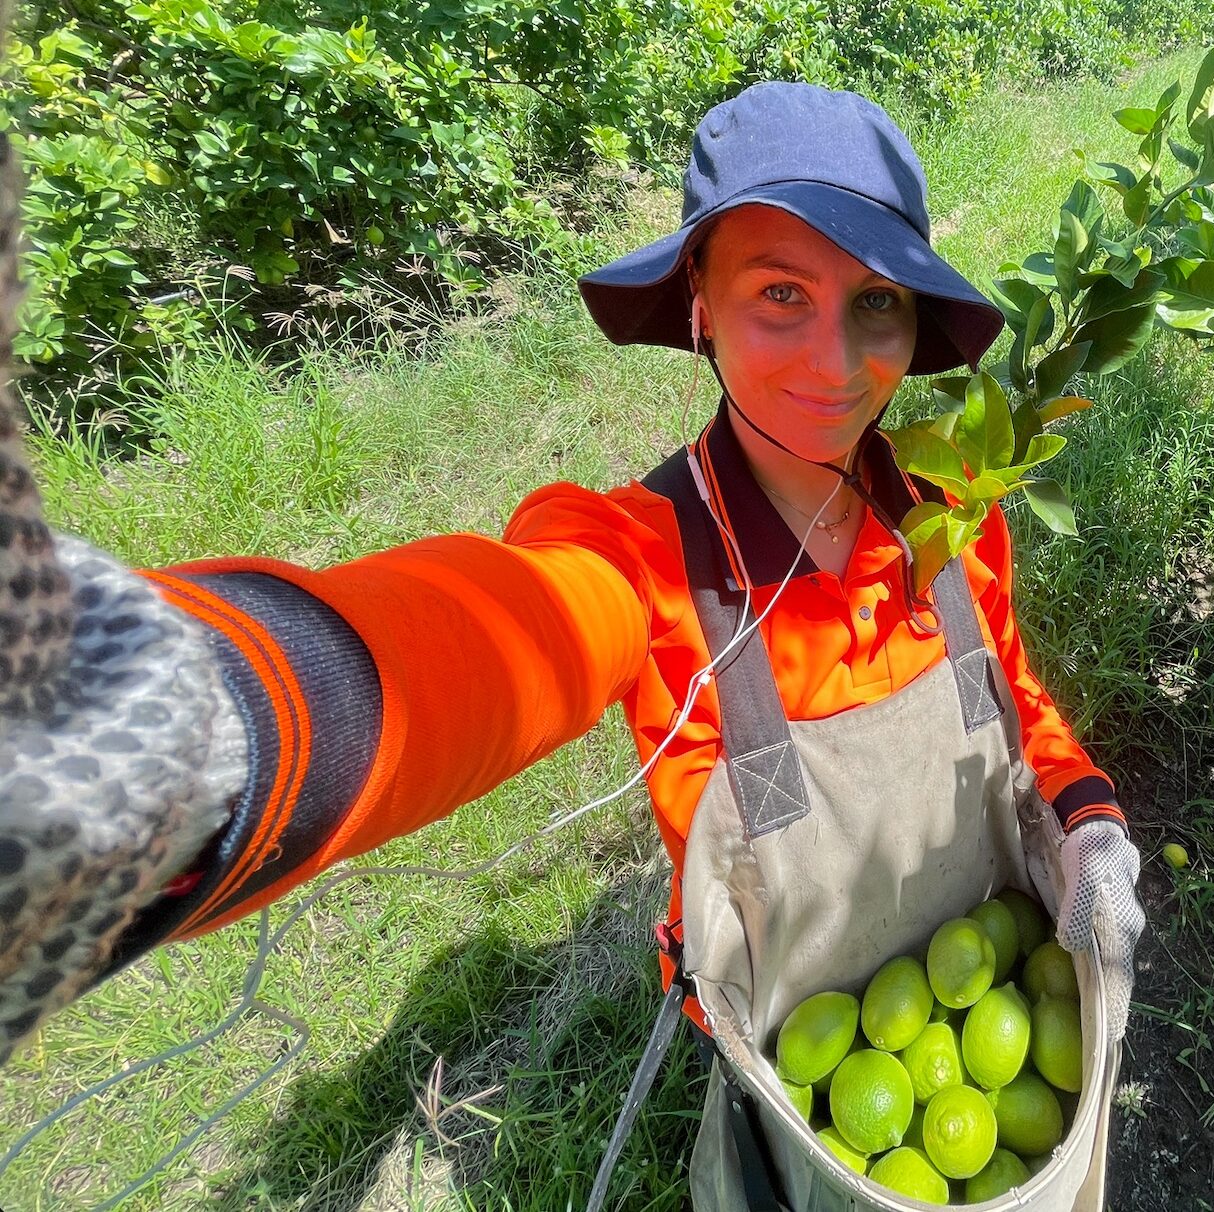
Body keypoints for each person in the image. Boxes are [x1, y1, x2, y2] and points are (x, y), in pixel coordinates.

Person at [0, 82, 1145, 1204]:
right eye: (781, 294)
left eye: (879, 304)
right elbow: (500, 632)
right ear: (698, 298)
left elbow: (1012, 702)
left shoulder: (950, 512)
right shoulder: (646, 558)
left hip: (960, 987)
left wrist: (1087, 822)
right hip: (803, 1059)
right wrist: (203, 727)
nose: (838, 366)